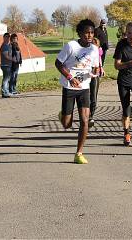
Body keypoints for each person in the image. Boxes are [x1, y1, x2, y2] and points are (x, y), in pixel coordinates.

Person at [55, 19, 99, 164]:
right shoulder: (71, 46)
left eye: (92, 32)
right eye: (86, 32)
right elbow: (58, 63)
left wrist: (96, 70)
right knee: (67, 124)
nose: (89, 35)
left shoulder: (94, 49)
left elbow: (95, 67)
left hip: (84, 88)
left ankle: (79, 153)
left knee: (85, 121)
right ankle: (63, 115)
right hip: (69, 87)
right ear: (80, 33)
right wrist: (69, 76)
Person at [89, 37, 104, 127]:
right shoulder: (85, 52)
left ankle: (91, 115)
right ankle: (85, 114)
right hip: (86, 75)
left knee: (93, 96)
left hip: (95, 75)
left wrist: (101, 68)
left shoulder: (99, 51)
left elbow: (99, 59)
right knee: (85, 96)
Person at [0, 33, 14, 98]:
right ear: (4, 37)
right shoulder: (4, 46)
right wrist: (13, 59)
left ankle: (6, 91)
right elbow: (6, 56)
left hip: (8, 64)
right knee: (5, 79)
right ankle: (4, 92)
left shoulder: (8, 45)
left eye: (9, 37)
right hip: (5, 65)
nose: (8, 38)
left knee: (7, 79)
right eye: (6, 37)